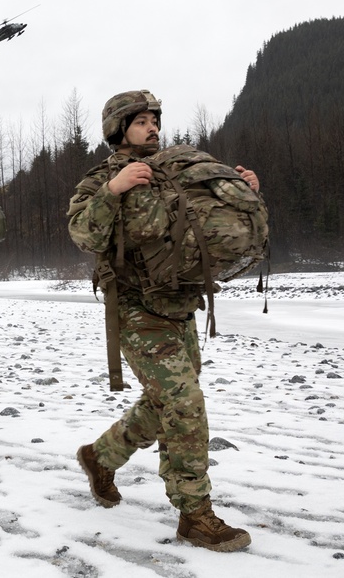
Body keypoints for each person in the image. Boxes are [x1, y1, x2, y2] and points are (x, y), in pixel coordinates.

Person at [67, 90, 259, 552]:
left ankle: (100, 457)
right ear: (118, 130)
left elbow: (202, 228)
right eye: (140, 122)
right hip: (135, 309)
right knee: (185, 402)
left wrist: (239, 191)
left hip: (180, 304)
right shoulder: (102, 178)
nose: (152, 127)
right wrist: (114, 191)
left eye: (154, 119)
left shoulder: (178, 169)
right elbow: (81, 232)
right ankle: (195, 514)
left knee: (166, 402)